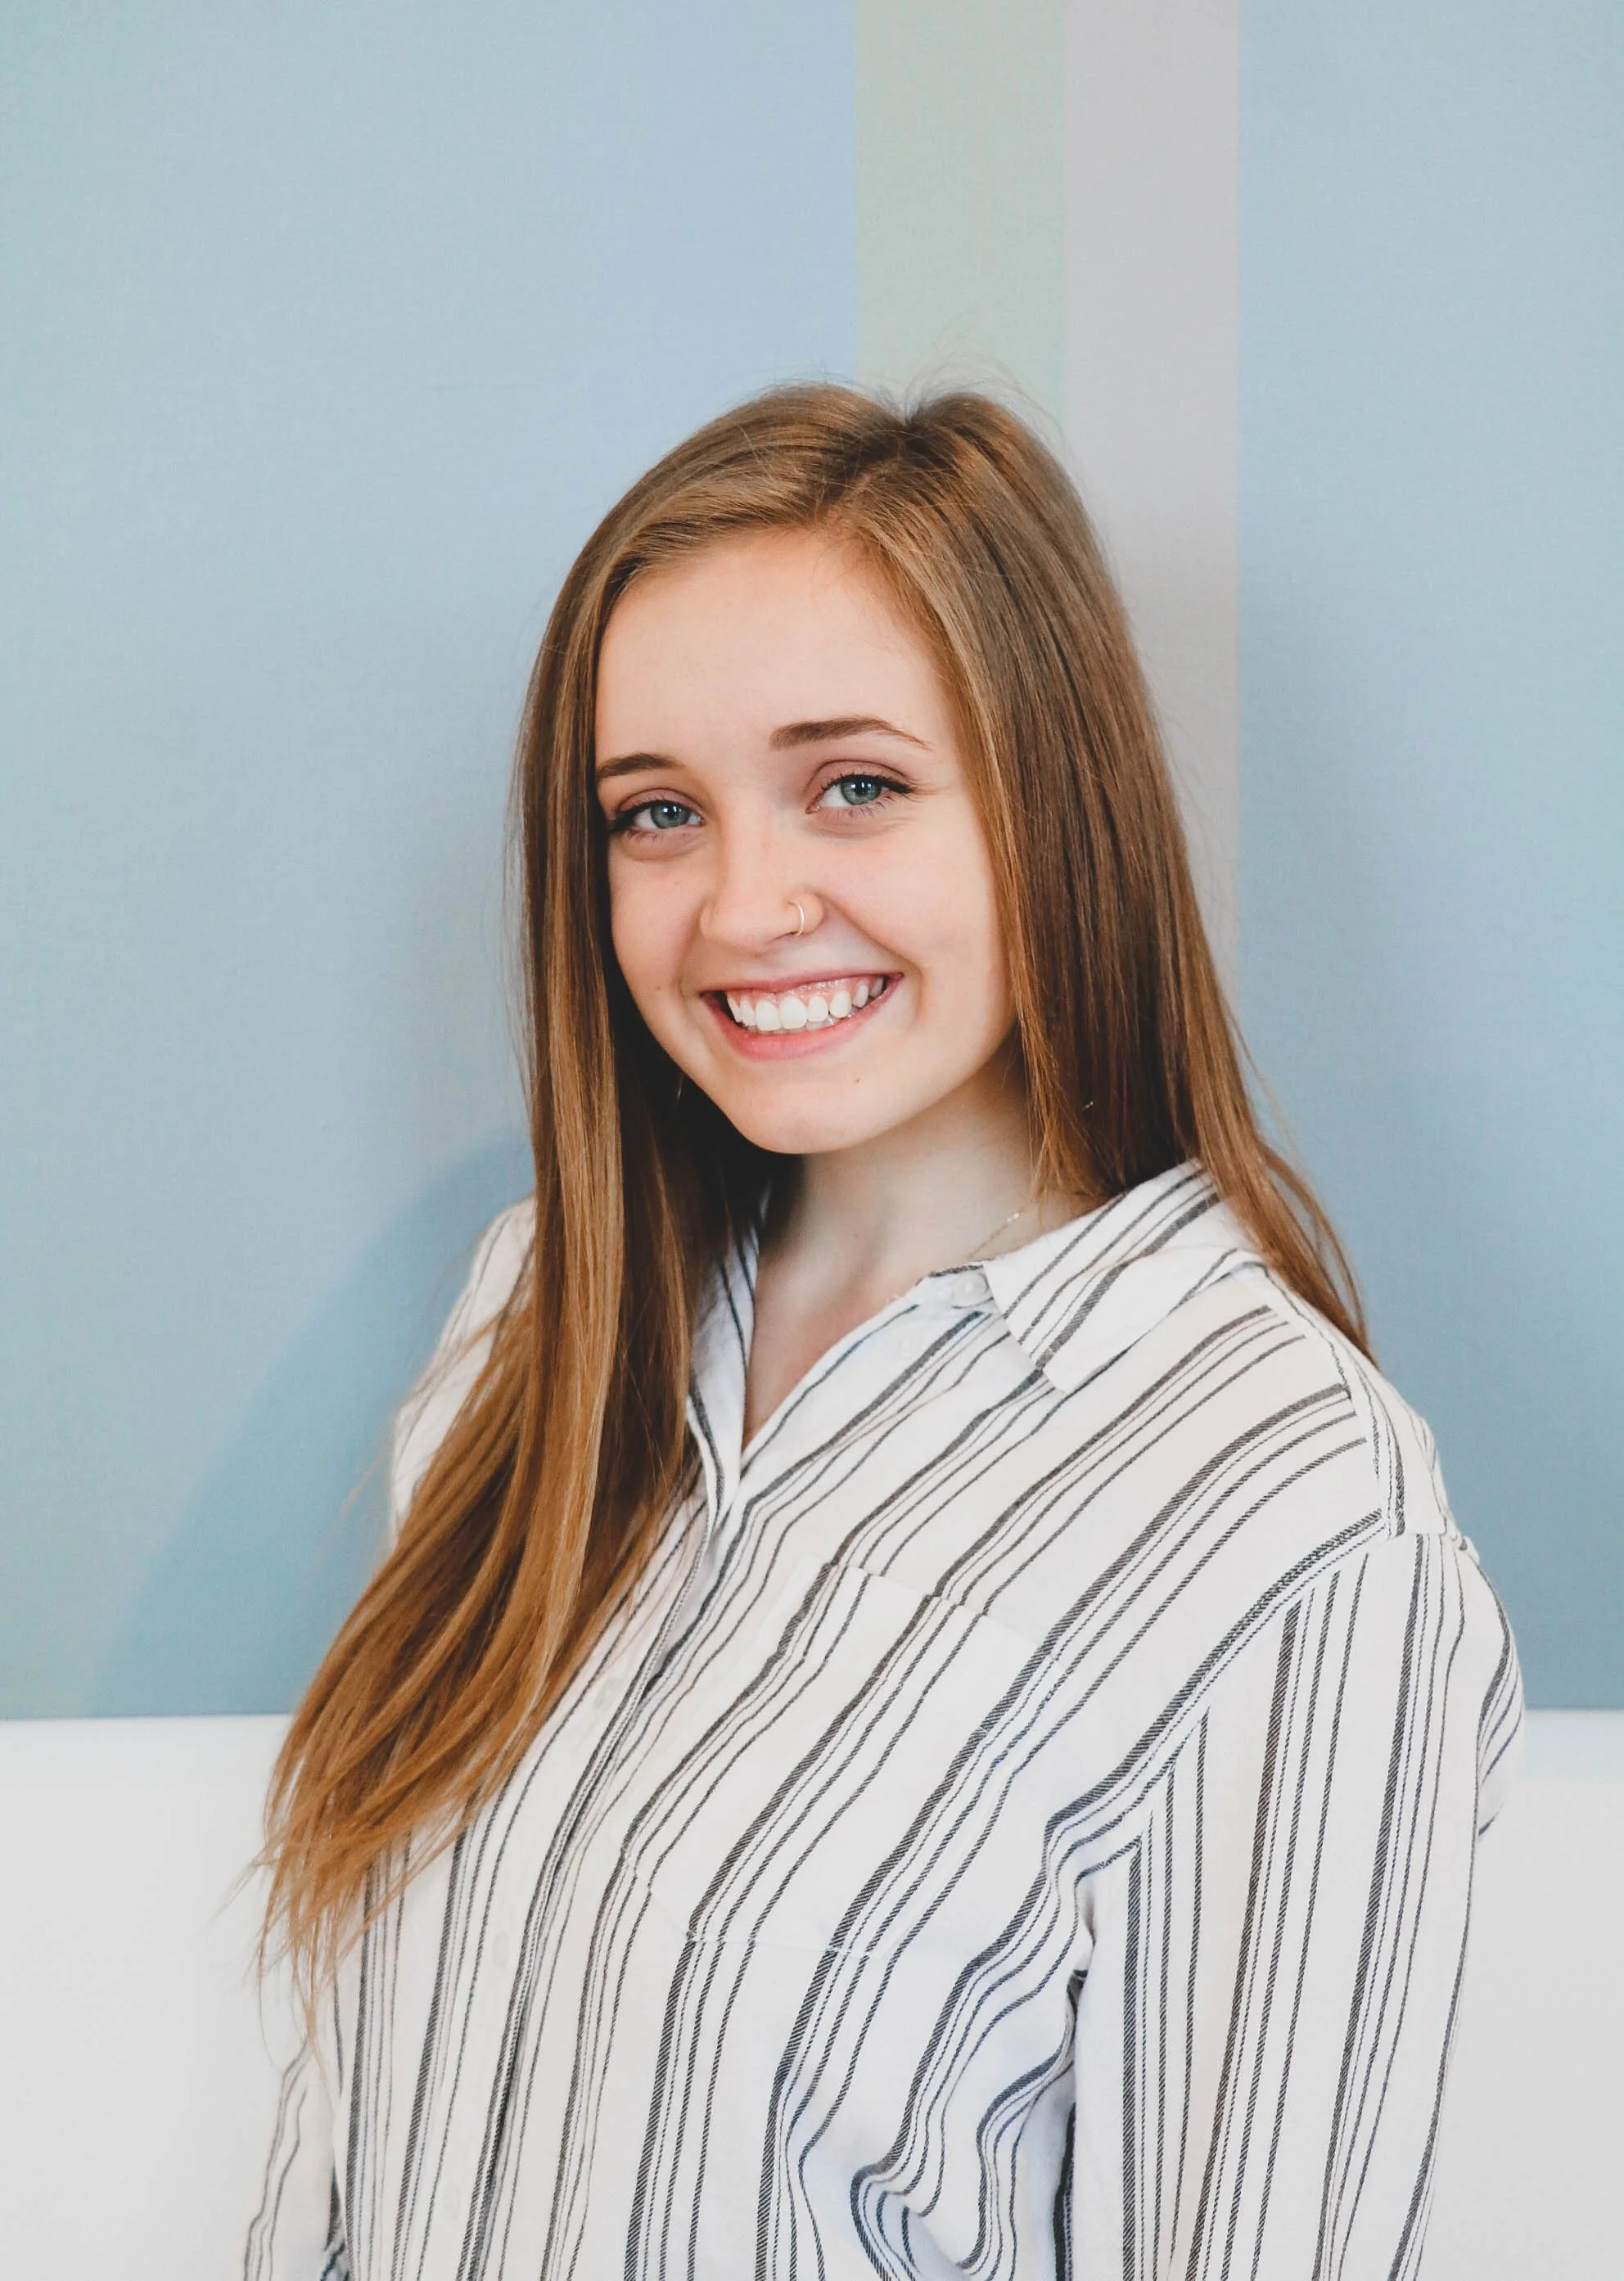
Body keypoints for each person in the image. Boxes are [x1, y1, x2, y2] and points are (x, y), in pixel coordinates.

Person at [246, 385, 1520, 2279]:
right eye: (655, 813)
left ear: (1047, 803)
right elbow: (347, 2151)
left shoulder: (1291, 1515)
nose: (744, 905)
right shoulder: (540, 1305)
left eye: (853, 784)